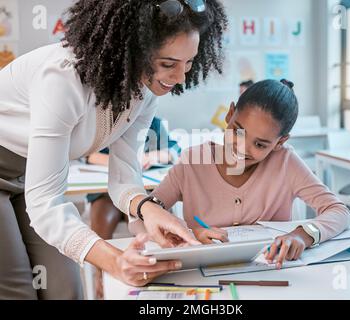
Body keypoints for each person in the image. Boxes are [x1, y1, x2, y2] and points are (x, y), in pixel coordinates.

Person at [0, 0, 227, 299]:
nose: (180, 78)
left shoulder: (144, 94)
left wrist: (148, 209)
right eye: (168, 64)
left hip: (29, 173)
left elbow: (123, 177)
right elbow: (44, 205)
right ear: (133, 49)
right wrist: (116, 263)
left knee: (65, 289)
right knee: (18, 290)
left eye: (189, 63)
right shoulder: (62, 78)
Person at [130, 79, 350, 269]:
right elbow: (141, 220)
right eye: (238, 131)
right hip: (204, 275)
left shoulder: (285, 162)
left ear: (280, 142)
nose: (243, 148)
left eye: (260, 144)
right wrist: (188, 234)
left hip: (272, 273)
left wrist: (303, 234)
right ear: (229, 114)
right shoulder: (192, 161)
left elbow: (338, 211)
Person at [86, 116, 181, 299]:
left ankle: (155, 271)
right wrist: (123, 163)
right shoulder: (106, 120)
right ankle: (101, 273)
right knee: (103, 218)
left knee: (154, 220)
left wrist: (151, 156)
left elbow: (174, 150)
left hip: (144, 193)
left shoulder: (153, 122)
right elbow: (91, 156)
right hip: (106, 193)